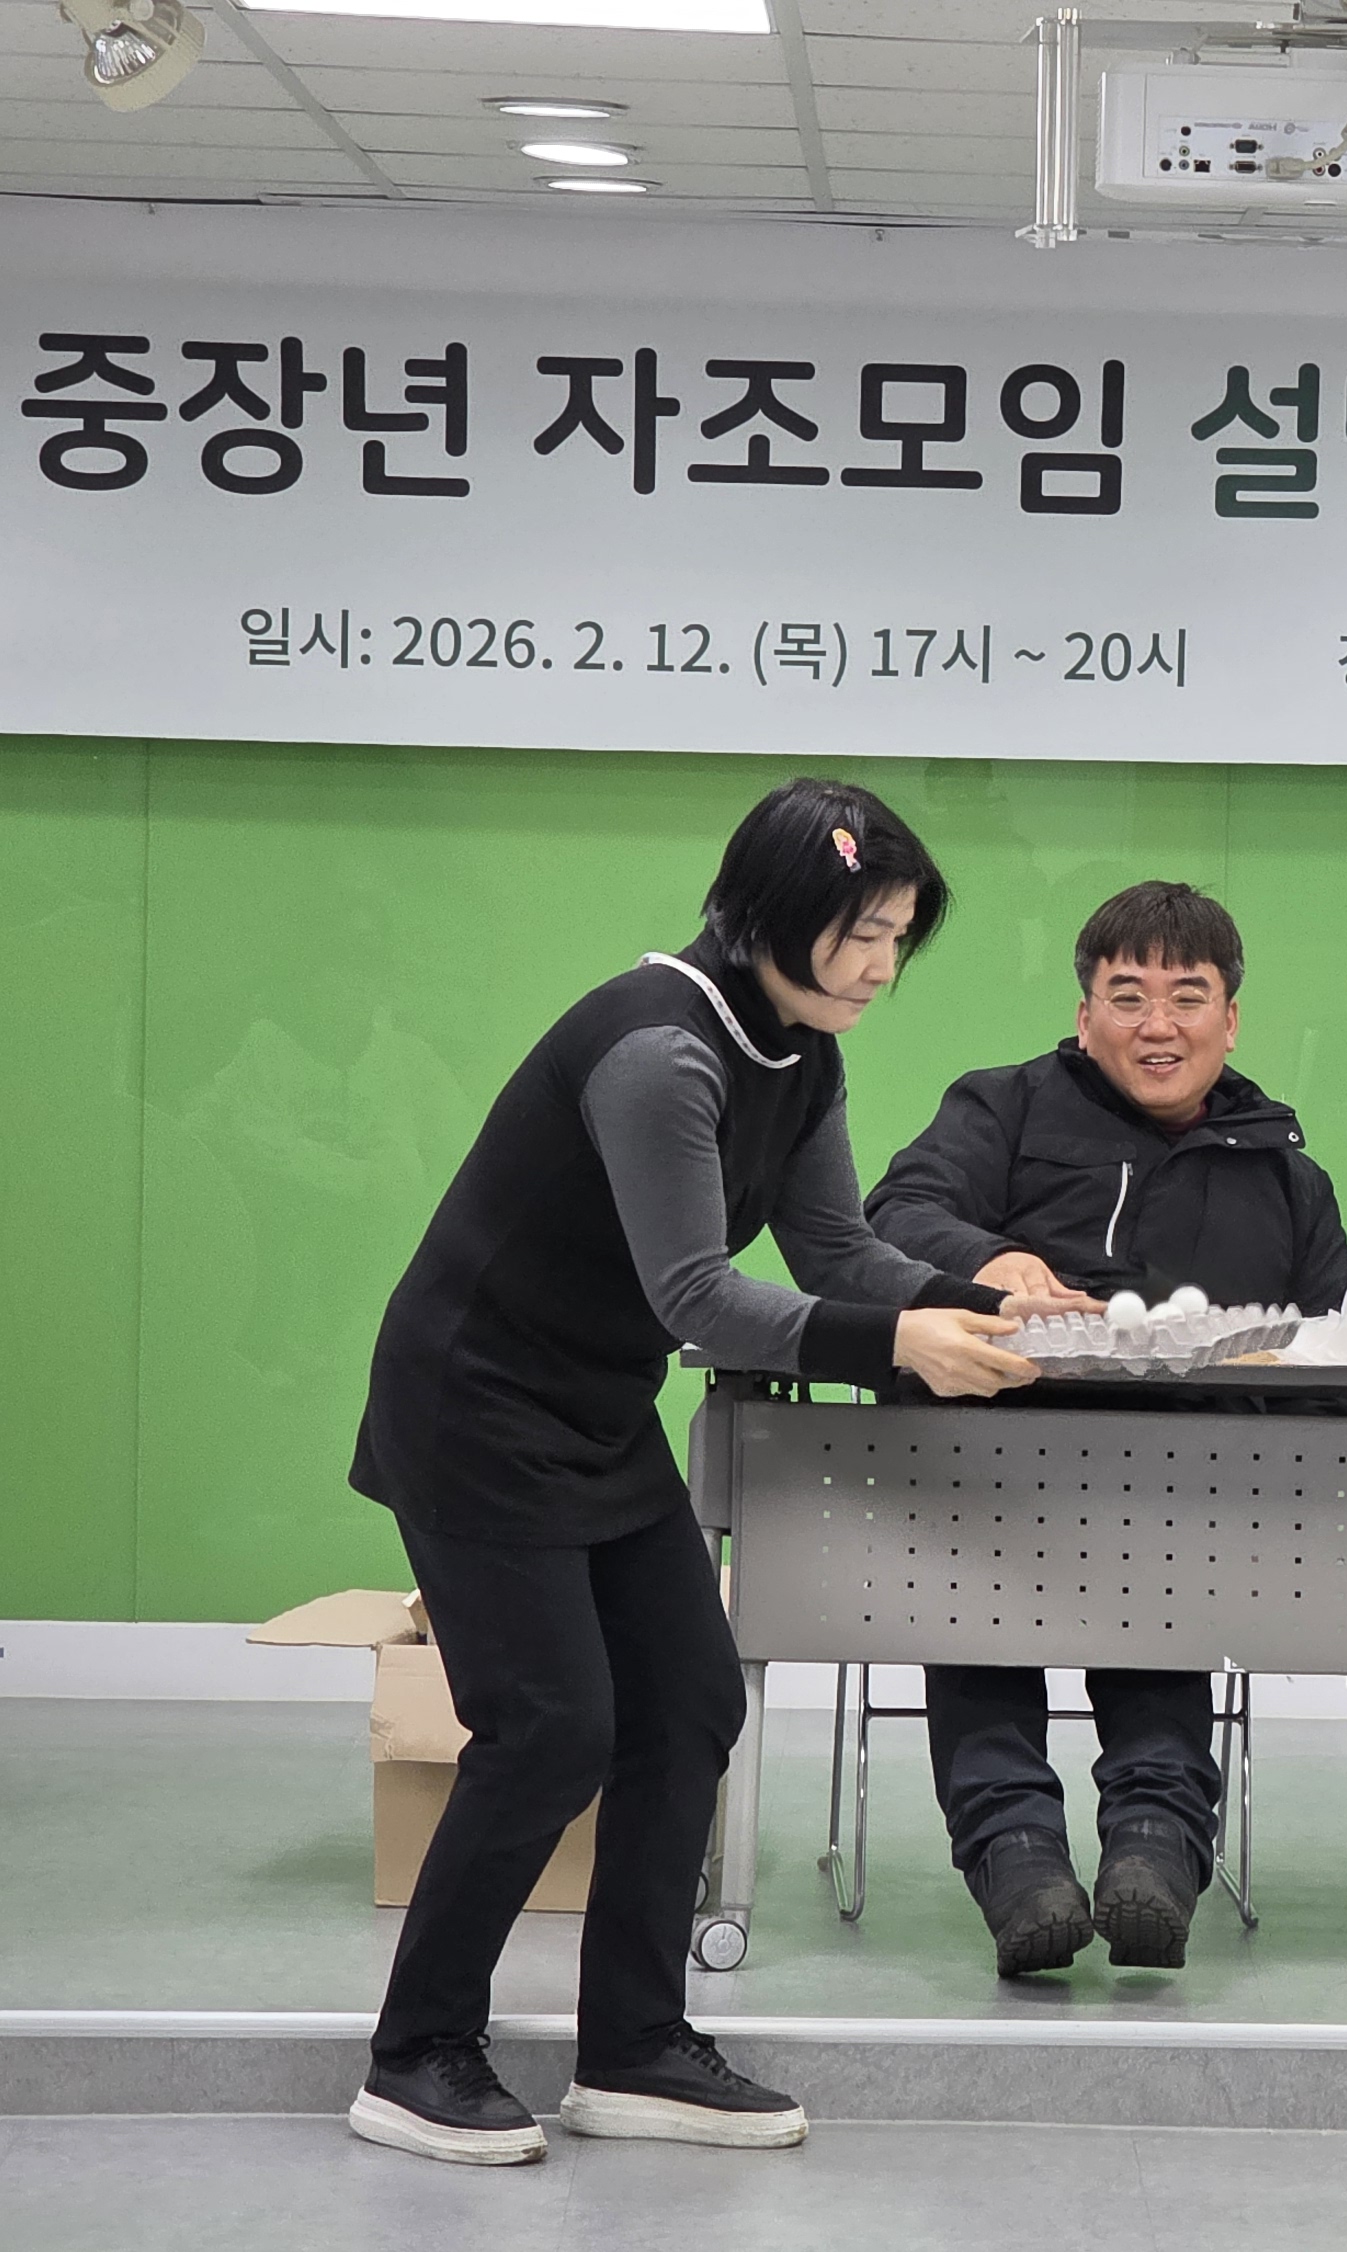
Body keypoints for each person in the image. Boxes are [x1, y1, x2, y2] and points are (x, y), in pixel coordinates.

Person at [344, 778, 1066, 2168]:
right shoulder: (661, 1051)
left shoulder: (800, 1049)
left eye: (899, 936)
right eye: (860, 932)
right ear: (769, 915)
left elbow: (837, 1254)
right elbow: (697, 1297)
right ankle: (415, 2051)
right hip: (472, 1406)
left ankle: (632, 2046)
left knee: (686, 1703)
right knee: (551, 1727)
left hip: (595, 1410)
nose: (881, 966)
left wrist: (987, 1305)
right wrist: (898, 1343)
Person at [864, 878, 1347, 1979]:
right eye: (1127, 997)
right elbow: (894, 1213)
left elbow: (1330, 1360)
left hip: (1183, 1496)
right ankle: (1019, 1860)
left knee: (1165, 1612)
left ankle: (1154, 1854)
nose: (1157, 1025)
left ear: (1231, 1017)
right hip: (986, 1465)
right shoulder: (1003, 1108)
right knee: (979, 1617)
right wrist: (987, 1261)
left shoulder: (1286, 1176)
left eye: (1188, 996)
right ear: (1085, 1015)